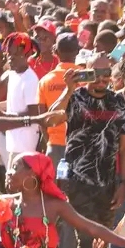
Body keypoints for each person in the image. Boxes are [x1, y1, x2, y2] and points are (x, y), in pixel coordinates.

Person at [51, 54, 125, 248]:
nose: (101, 79)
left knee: (103, 242)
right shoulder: (75, 97)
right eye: (95, 73)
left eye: (106, 73)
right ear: (85, 72)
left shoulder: (118, 101)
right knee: (87, 242)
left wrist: (123, 183)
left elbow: (124, 147)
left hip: (108, 183)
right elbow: (50, 119)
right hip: (78, 181)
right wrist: (67, 89)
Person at [37, 32, 81, 163]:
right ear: (78, 51)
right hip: (80, 143)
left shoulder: (45, 81)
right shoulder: (86, 79)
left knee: (54, 183)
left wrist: (48, 142)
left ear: (55, 50)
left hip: (54, 145)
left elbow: (42, 119)